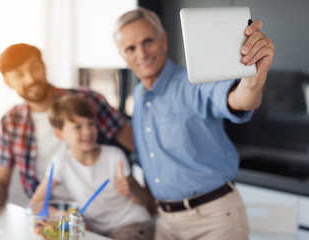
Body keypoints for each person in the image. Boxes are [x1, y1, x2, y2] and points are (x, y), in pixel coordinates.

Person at [113, 7, 275, 240]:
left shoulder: (194, 82)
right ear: (123, 56)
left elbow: (239, 100)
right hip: (166, 222)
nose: (141, 53)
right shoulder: (139, 96)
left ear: (163, 40)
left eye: (147, 41)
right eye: (130, 48)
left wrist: (255, 77)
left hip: (214, 220)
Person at [0, 43, 135, 228]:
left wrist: (150, 193)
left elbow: (136, 145)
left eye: (35, 68)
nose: (30, 79)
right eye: (19, 74)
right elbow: (0, 182)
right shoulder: (11, 122)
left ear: (44, 66)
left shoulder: (86, 100)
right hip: (52, 216)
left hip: (103, 212)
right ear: (8, 82)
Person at [30, 95, 154, 240]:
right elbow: (36, 204)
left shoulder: (115, 155)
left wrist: (131, 186)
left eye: (91, 124)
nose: (87, 132)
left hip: (133, 224)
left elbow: (144, 201)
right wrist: (62, 215)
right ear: (59, 134)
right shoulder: (60, 162)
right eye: (78, 127)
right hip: (98, 233)